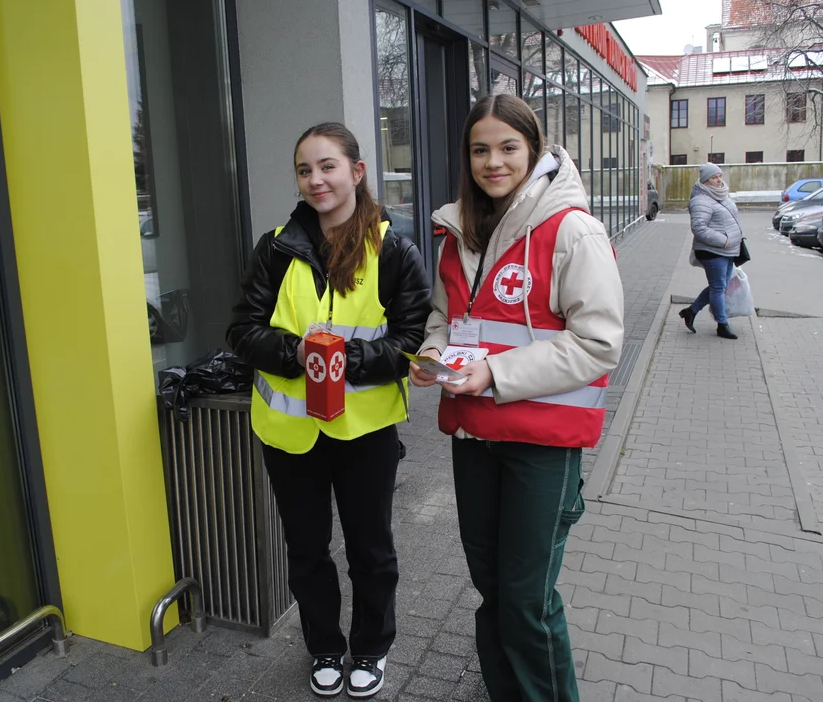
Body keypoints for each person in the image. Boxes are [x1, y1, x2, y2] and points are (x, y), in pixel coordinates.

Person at [408, 94, 624, 702]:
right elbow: (445, 319)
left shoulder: (572, 230)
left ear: (533, 150)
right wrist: (434, 354)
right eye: (480, 150)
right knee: (493, 592)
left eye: (508, 147)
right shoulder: (458, 233)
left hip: (541, 446)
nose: (493, 162)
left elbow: (600, 344)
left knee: (527, 602)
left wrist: (496, 374)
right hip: (476, 438)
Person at [227, 122, 430, 698]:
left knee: (371, 548)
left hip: (364, 431)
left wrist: (346, 359)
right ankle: (323, 646)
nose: (315, 180)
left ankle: (369, 648)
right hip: (289, 432)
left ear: (357, 172)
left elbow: (411, 338)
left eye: (327, 166)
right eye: (304, 170)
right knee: (307, 549)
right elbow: (241, 331)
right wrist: (295, 352)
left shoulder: (393, 249)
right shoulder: (276, 247)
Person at [678, 163, 744, 339]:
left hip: (729, 250)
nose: (719, 180)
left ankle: (690, 311)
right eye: (714, 177)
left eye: (719, 176)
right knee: (718, 288)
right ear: (705, 181)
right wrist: (725, 241)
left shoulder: (722, 195)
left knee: (720, 286)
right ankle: (722, 325)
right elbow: (699, 228)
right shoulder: (700, 200)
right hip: (713, 251)